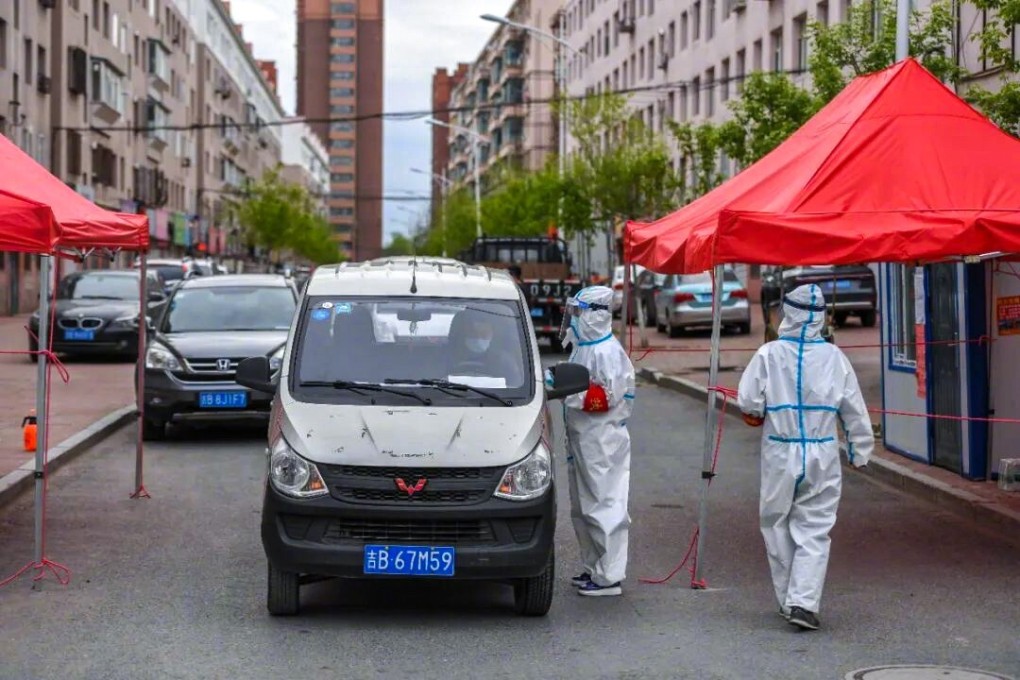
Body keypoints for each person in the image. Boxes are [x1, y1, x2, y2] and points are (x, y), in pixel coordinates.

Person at [737, 283, 874, 631]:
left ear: (788, 314)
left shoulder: (768, 355)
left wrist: (763, 409)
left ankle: (790, 599)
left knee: (776, 522)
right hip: (822, 450)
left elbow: (749, 402)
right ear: (819, 318)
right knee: (816, 527)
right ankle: (804, 602)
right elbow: (854, 409)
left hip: (780, 449)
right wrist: (860, 450)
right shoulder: (834, 358)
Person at [558, 286, 636, 597]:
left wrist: (566, 390)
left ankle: (609, 577)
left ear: (596, 314)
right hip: (583, 438)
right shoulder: (585, 347)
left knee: (604, 504)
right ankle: (594, 567)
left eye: (579, 312)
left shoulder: (607, 352)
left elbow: (605, 398)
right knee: (583, 506)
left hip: (601, 441)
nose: (574, 318)